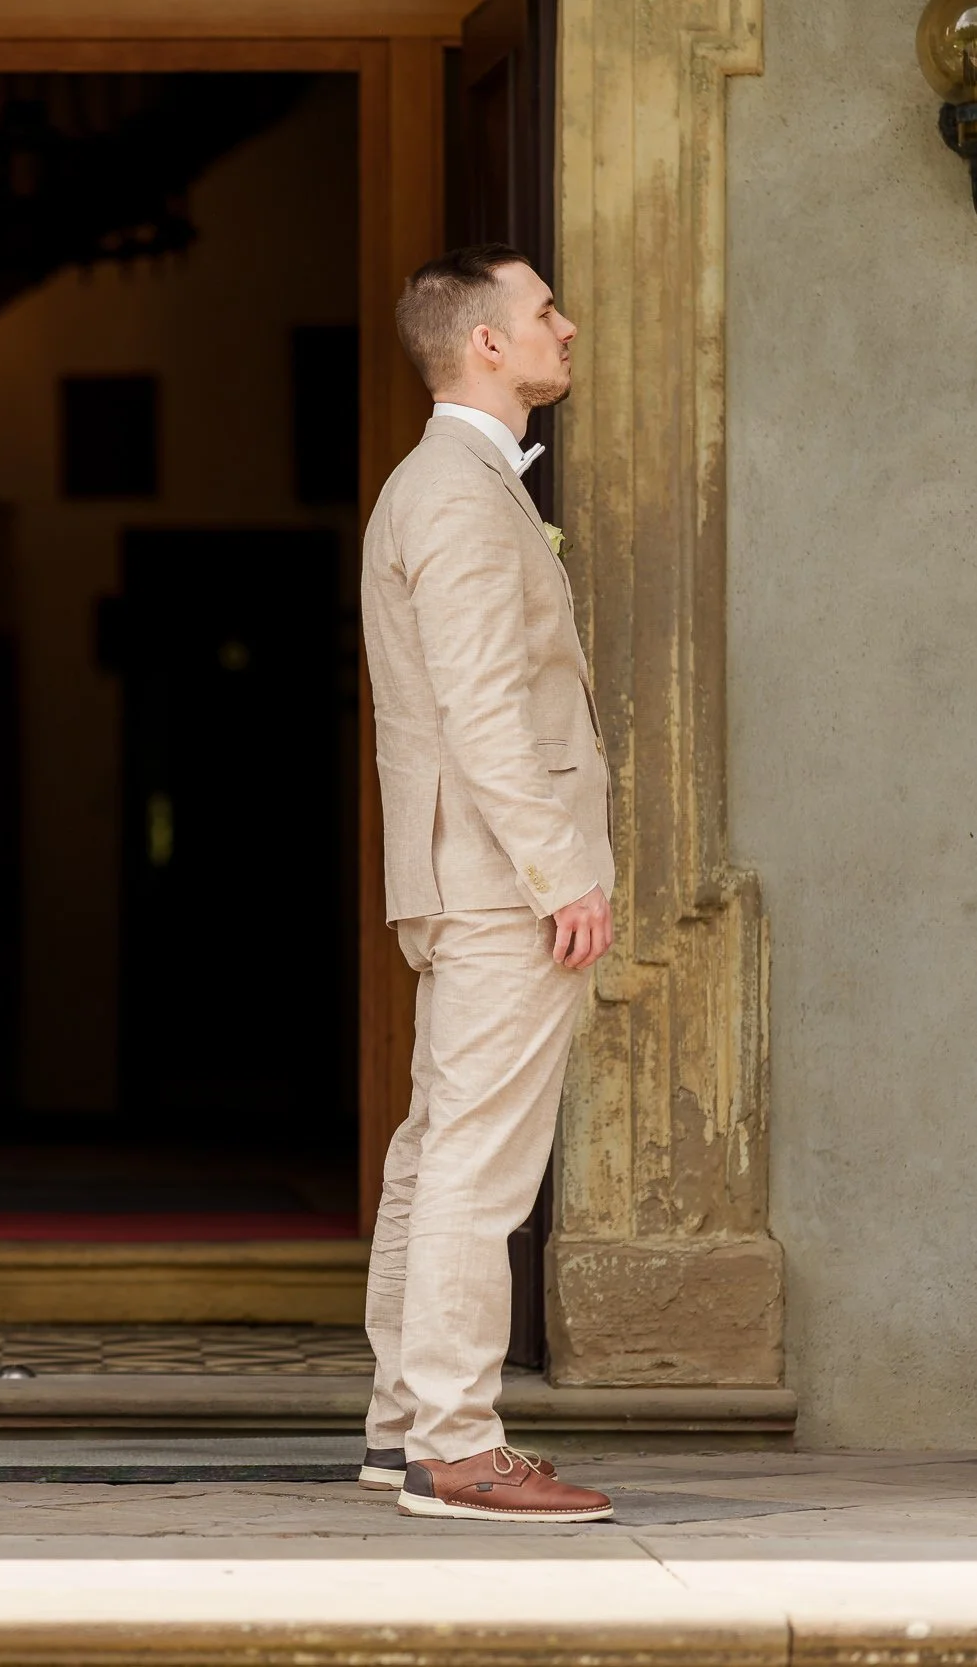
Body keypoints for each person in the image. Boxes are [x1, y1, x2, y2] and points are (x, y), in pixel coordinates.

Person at [357, 244, 617, 1523]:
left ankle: (403, 1427)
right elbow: (482, 709)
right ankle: (456, 1444)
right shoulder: (457, 493)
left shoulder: (447, 482)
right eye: (544, 312)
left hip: (466, 870)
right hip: (500, 876)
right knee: (476, 1161)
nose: (566, 328)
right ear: (486, 345)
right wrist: (560, 871)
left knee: (436, 1150)